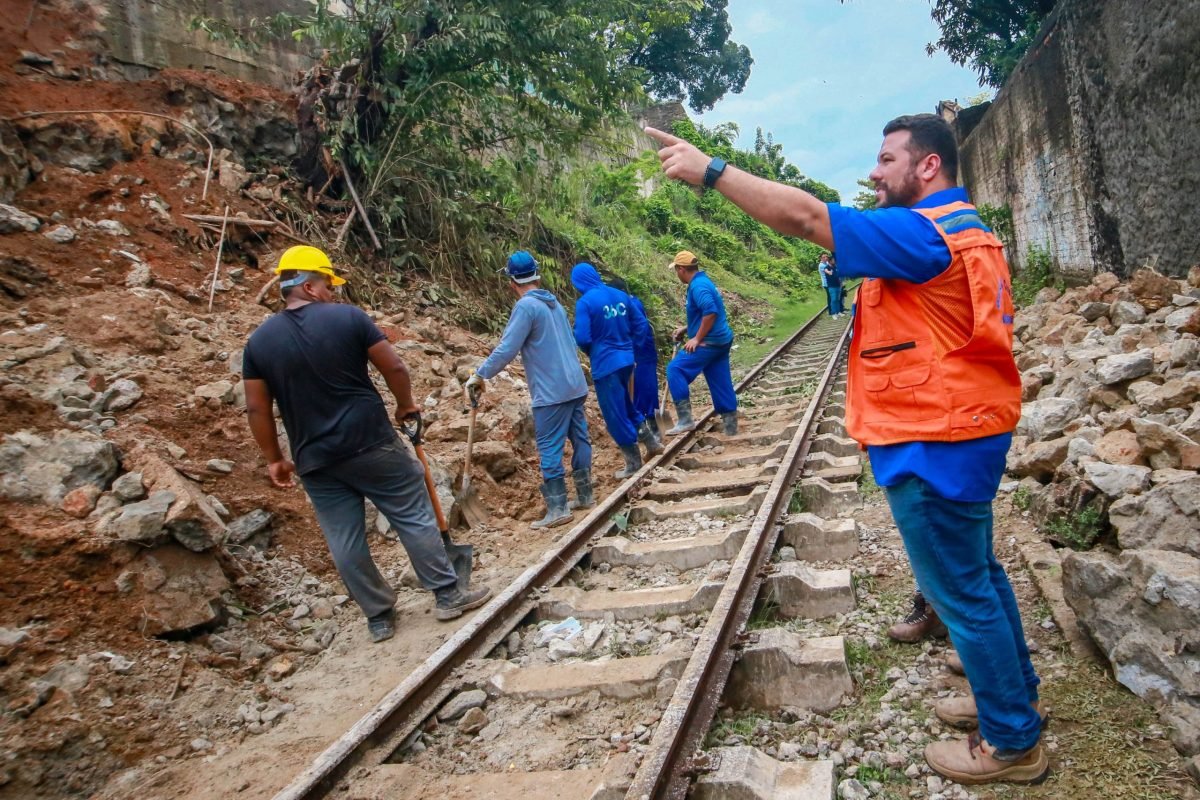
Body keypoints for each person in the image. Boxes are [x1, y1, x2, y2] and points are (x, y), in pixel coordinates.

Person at [644, 114, 1047, 785]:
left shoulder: (924, 232)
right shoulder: (965, 230)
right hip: (965, 427)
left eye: (887, 159)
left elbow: (806, 218)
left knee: (961, 589)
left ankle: (1012, 743)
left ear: (927, 167)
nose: (873, 171)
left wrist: (712, 172)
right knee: (979, 573)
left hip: (934, 439)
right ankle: (1011, 694)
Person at [243, 245, 491, 644]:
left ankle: (378, 616)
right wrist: (406, 405)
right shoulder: (349, 319)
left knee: (344, 539)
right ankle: (448, 593)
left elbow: (256, 409)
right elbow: (393, 365)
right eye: (327, 284)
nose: (331, 292)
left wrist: (274, 458)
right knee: (412, 512)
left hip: (315, 459)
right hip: (370, 442)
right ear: (308, 285)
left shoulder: (259, 343)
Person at [465, 251, 593, 528]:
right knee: (580, 439)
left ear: (512, 281)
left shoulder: (526, 307)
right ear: (537, 274)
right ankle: (585, 494)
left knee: (549, 446)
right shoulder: (554, 304)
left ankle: (558, 507)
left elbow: (507, 348)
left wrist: (480, 374)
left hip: (552, 391)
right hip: (574, 385)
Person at [570, 262, 664, 479]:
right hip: (627, 359)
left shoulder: (585, 303)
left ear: (578, 282)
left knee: (615, 413)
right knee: (628, 404)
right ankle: (650, 442)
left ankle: (633, 462)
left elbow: (582, 337)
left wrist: (592, 351)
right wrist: (631, 347)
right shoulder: (619, 295)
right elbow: (641, 324)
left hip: (606, 363)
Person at [663, 251, 738, 437]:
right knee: (719, 377)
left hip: (709, 342)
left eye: (676, 270)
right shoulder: (703, 282)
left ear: (681, 269)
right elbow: (704, 314)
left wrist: (696, 338)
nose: (676, 274)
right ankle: (730, 424)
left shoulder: (698, 287)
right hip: (721, 340)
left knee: (675, 370)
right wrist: (687, 329)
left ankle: (685, 420)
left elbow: (710, 312)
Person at [607, 276, 662, 435]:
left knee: (646, 386)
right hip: (634, 351)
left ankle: (652, 422)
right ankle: (642, 422)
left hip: (642, 352)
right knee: (637, 387)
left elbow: (642, 327)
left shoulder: (632, 304)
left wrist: (634, 347)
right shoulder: (624, 304)